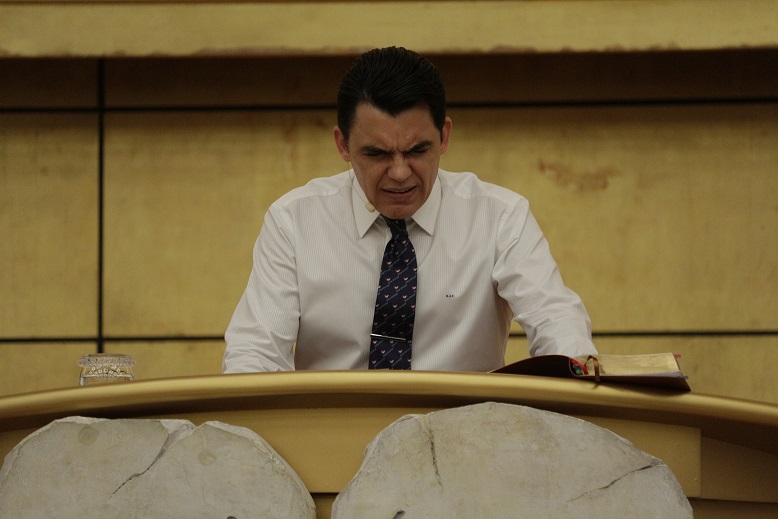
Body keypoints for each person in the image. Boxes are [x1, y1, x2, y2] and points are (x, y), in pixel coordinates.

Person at [223, 46, 596, 373]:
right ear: (343, 145)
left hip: (463, 428)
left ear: (444, 136)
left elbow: (556, 320)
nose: (400, 173)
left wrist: (574, 375)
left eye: (418, 150)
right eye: (377, 154)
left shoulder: (500, 217)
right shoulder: (293, 221)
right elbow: (254, 354)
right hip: (332, 427)